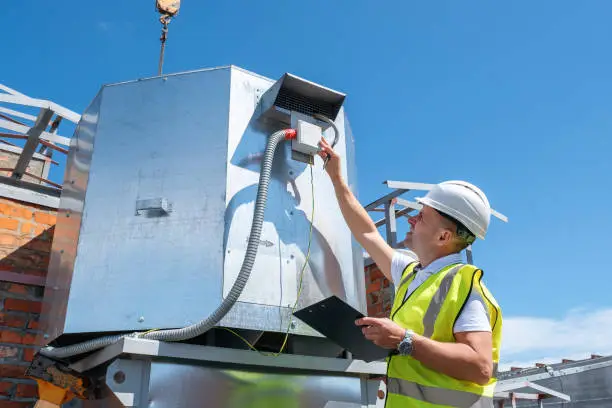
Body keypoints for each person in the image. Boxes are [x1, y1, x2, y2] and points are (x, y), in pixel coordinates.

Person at [317, 137, 502, 408]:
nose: (411, 219)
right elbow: (367, 232)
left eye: (422, 216)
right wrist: (336, 179)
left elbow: (481, 367)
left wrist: (404, 340)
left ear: (443, 236)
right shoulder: (411, 275)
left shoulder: (464, 285)